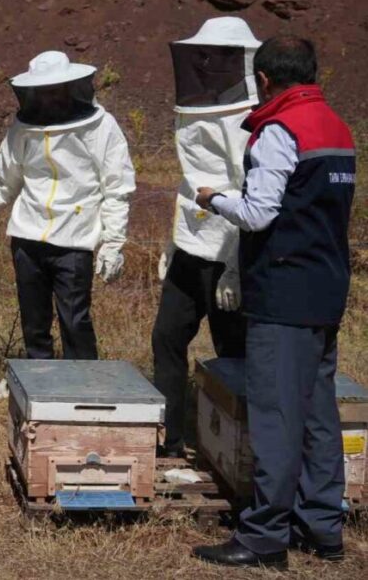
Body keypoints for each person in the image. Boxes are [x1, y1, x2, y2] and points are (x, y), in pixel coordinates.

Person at [192, 38, 355, 569]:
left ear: (263, 80)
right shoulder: (335, 126)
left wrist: (213, 198)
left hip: (283, 293)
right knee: (318, 413)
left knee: (276, 416)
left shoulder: (278, 131)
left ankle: (264, 536)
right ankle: (323, 526)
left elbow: (260, 212)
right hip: (325, 290)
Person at [152, 17, 256, 457]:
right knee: (167, 338)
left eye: (219, 55)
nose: (208, 62)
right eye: (204, 54)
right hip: (191, 248)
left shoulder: (251, 119)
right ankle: (170, 439)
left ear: (240, 60)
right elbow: (190, 183)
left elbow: (250, 194)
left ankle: (239, 449)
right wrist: (173, 242)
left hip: (227, 252)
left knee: (231, 349)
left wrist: (234, 266)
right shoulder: (198, 109)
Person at [0, 51, 134, 361]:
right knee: (34, 323)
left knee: (75, 320)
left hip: (74, 238)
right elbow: (7, 178)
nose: (49, 97)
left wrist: (113, 242)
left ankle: (83, 390)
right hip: (27, 238)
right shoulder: (23, 126)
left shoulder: (100, 126)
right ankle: (40, 390)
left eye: (55, 89)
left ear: (71, 87)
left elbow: (117, 186)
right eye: (42, 90)